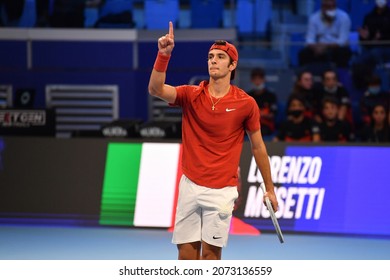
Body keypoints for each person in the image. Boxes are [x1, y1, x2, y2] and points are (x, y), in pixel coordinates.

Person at [148, 22, 278, 260]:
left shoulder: (246, 104)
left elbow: (258, 146)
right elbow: (156, 89)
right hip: (190, 185)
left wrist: (270, 189)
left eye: (220, 57)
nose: (213, 61)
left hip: (221, 191)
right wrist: (163, 56)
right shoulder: (190, 95)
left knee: (210, 257)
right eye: (210, 57)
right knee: (186, 256)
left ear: (232, 65)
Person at [298, 0, 352, 68]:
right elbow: (309, 40)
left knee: (343, 53)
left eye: (333, 6)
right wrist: (316, 48)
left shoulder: (344, 17)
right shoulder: (314, 18)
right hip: (318, 47)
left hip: (336, 47)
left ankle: (341, 75)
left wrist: (326, 46)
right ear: (322, 7)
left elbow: (342, 41)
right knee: (303, 54)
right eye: (328, 7)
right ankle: (306, 76)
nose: (331, 9)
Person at [352, 0, 390, 89]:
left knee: (377, 60)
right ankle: (360, 91)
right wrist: (364, 37)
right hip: (371, 49)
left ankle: (384, 92)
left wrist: (382, 37)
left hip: (387, 48)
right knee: (356, 62)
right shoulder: (369, 17)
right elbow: (365, 40)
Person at [247, 67, 278, 136]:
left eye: (260, 79)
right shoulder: (247, 96)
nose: (257, 82)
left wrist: (259, 115)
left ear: (264, 80)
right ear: (251, 80)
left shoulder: (271, 96)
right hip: (250, 125)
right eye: (255, 79)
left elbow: (272, 115)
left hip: (265, 125)